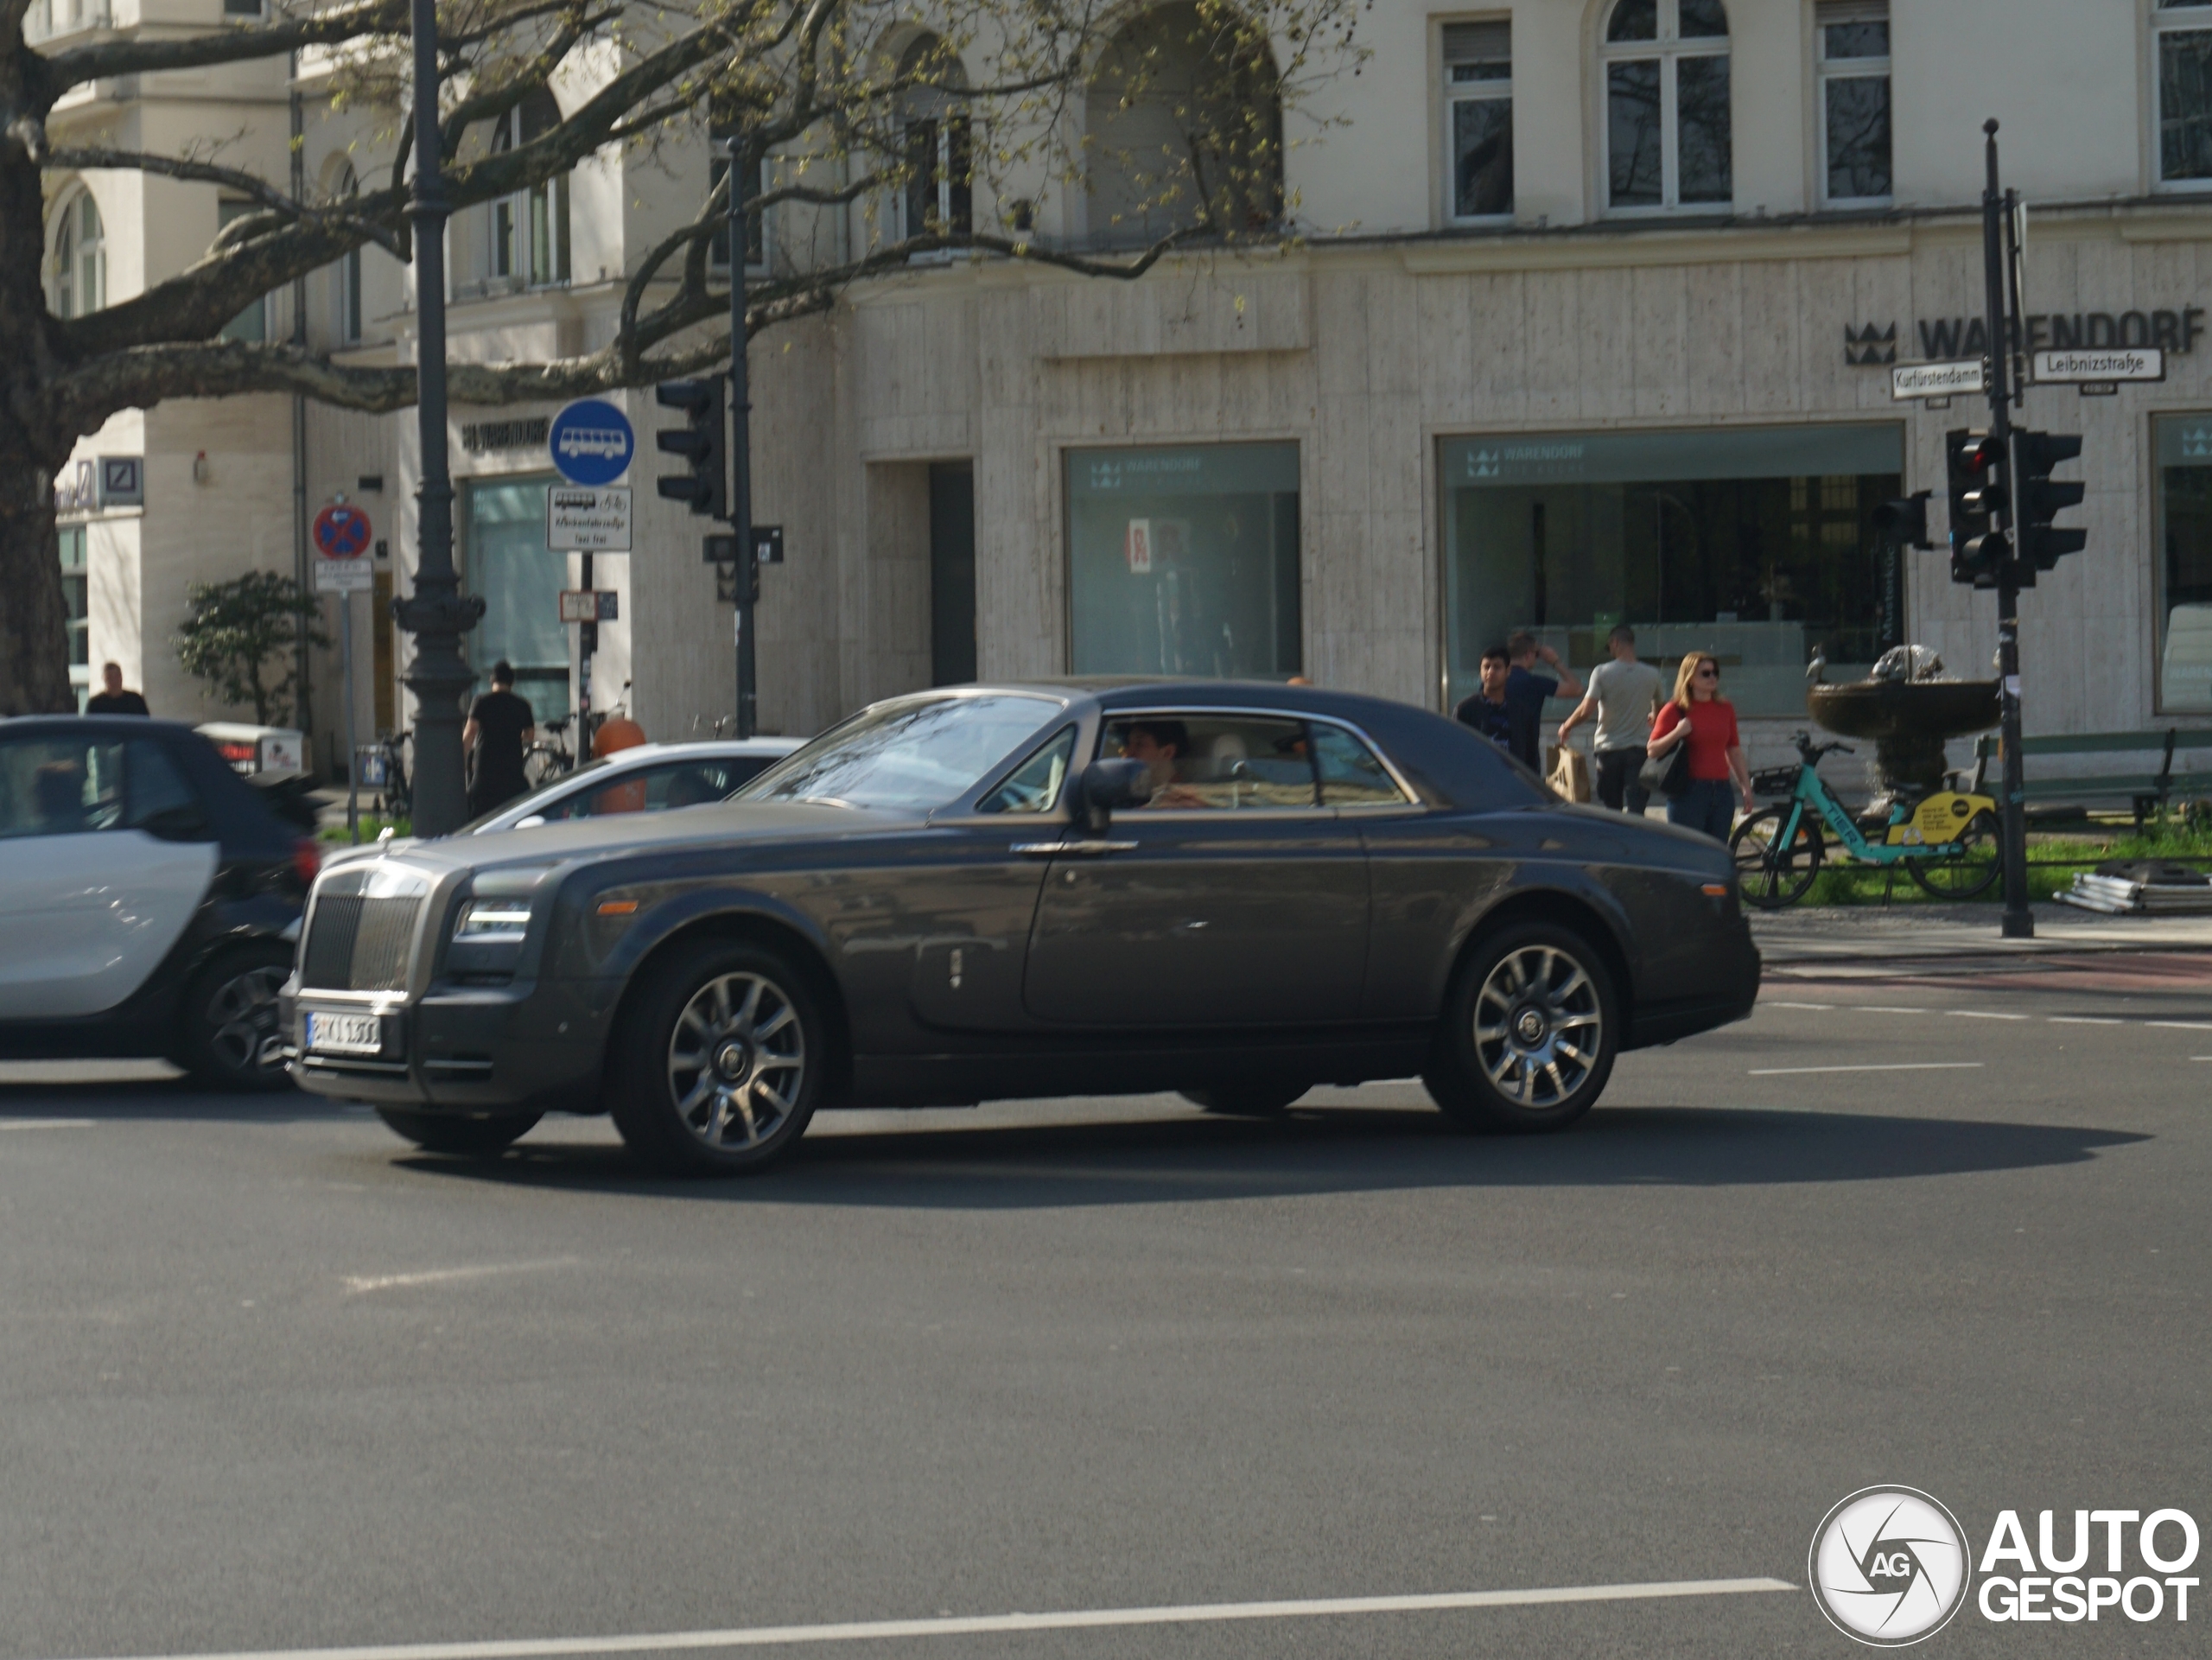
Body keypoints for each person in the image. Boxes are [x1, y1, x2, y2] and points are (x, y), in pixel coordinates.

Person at [1644, 652, 1755, 842]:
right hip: (1688, 792)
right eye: (1705, 673)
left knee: (1717, 850)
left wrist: (1745, 787)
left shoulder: (1725, 708)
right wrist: (1677, 733)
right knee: (1688, 852)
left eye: (1715, 673)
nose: (1712, 678)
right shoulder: (1674, 709)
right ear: (1689, 678)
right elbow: (1652, 749)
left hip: (1721, 791)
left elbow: (1734, 750)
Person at [1558, 625, 1665, 815]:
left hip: (1609, 750)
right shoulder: (1652, 674)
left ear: (1615, 643)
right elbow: (1660, 713)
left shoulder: (1602, 672)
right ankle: (1636, 844)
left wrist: (1567, 725)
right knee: (1637, 810)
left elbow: (1586, 709)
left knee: (1611, 811)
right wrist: (1650, 716)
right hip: (1639, 750)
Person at [1500, 632, 1583, 773]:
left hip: (1497, 753)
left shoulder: (1495, 682)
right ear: (1528, 655)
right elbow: (1577, 689)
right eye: (1537, 655)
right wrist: (1555, 662)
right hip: (1527, 757)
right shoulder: (1534, 683)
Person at [462, 661, 536, 818]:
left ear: (492, 681)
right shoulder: (522, 705)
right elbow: (529, 734)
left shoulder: (481, 701)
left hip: (485, 767)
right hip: (512, 766)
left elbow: (470, 732)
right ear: (511, 682)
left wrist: (461, 757)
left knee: (479, 811)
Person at [1118, 719, 1205, 808]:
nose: (1127, 755)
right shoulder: (1135, 794)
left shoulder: (1187, 801)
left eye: (1139, 744)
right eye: (1127, 744)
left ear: (1167, 752)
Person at [1452, 646, 1518, 754]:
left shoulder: (1519, 711)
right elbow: (1456, 750)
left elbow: (1530, 755)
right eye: (1486, 667)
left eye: (1497, 667)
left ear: (1508, 671)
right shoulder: (1466, 709)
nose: (1490, 672)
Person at [85, 662, 149, 716]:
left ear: (121, 677)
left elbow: (146, 724)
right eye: (109, 678)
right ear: (104, 679)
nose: (113, 681)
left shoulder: (136, 701)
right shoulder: (95, 704)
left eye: (116, 676)